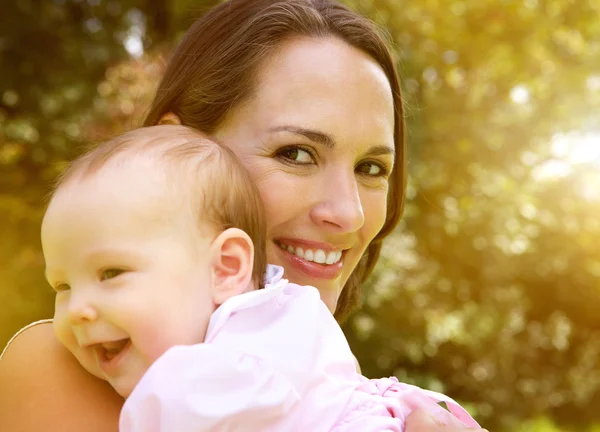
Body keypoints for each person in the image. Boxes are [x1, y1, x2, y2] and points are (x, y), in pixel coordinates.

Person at [0, 1, 488, 431]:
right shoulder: (66, 368)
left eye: (371, 168)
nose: (349, 212)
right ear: (179, 143)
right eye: (296, 154)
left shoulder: (355, 403)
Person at [40, 123, 479, 431]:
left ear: (227, 267)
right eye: (62, 286)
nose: (77, 310)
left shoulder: (245, 353)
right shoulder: (47, 364)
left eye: (112, 273)